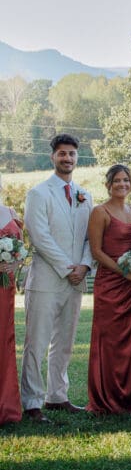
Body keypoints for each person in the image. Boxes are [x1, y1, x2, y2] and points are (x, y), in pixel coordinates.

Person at [21, 133, 93, 423]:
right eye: (62, 153)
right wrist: (68, 267)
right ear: (53, 157)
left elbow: (91, 237)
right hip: (46, 280)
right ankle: (32, 402)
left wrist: (85, 266)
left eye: (72, 154)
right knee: (36, 343)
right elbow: (40, 237)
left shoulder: (85, 195)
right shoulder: (38, 193)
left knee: (64, 342)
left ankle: (57, 396)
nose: (67, 158)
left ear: (78, 157)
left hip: (76, 280)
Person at [86, 165, 131, 414]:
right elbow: (97, 252)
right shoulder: (99, 212)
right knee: (110, 342)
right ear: (108, 185)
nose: (122, 184)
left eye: (126, 180)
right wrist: (126, 272)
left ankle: (130, 397)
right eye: (117, 181)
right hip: (111, 285)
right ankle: (106, 399)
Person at [0, 177, 24, 425]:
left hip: (5, 290)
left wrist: (14, 263)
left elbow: (20, 250)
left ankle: (6, 405)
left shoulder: (10, 212)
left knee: (4, 340)